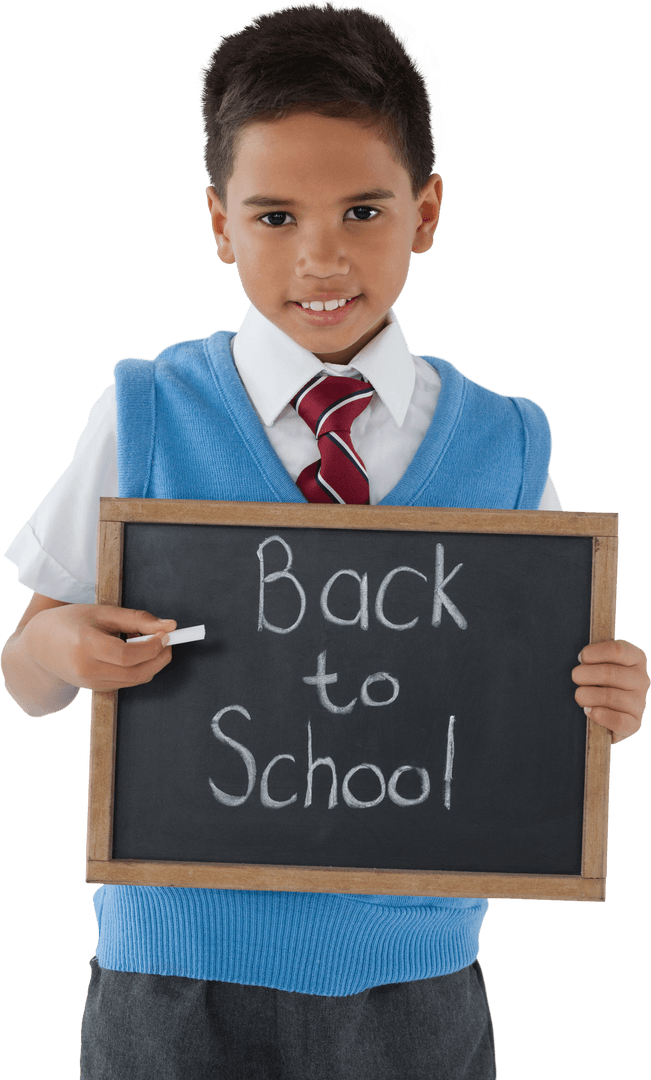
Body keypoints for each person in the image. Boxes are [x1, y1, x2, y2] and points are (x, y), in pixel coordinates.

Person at [2, 3, 648, 1078]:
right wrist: (62, 651)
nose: (321, 256)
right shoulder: (147, 413)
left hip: (417, 981)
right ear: (218, 224)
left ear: (426, 210)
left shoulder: (501, 443)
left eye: (360, 209)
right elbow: (24, 673)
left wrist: (610, 702)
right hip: (176, 978)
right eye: (273, 217)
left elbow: (545, 692)